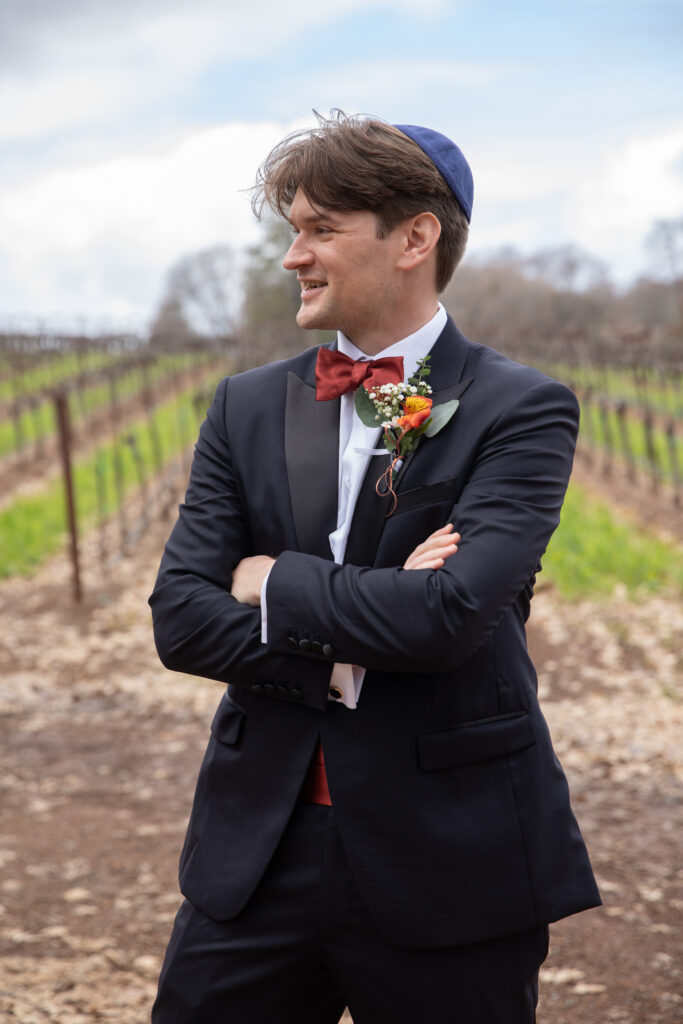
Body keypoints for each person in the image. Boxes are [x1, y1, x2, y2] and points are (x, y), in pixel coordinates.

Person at [149, 112, 600, 1024]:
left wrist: (271, 580)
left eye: (319, 229)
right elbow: (181, 618)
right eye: (290, 230)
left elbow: (448, 620)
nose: (292, 257)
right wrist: (358, 642)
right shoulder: (243, 405)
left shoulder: (522, 409)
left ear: (414, 237)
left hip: (451, 854)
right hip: (257, 852)